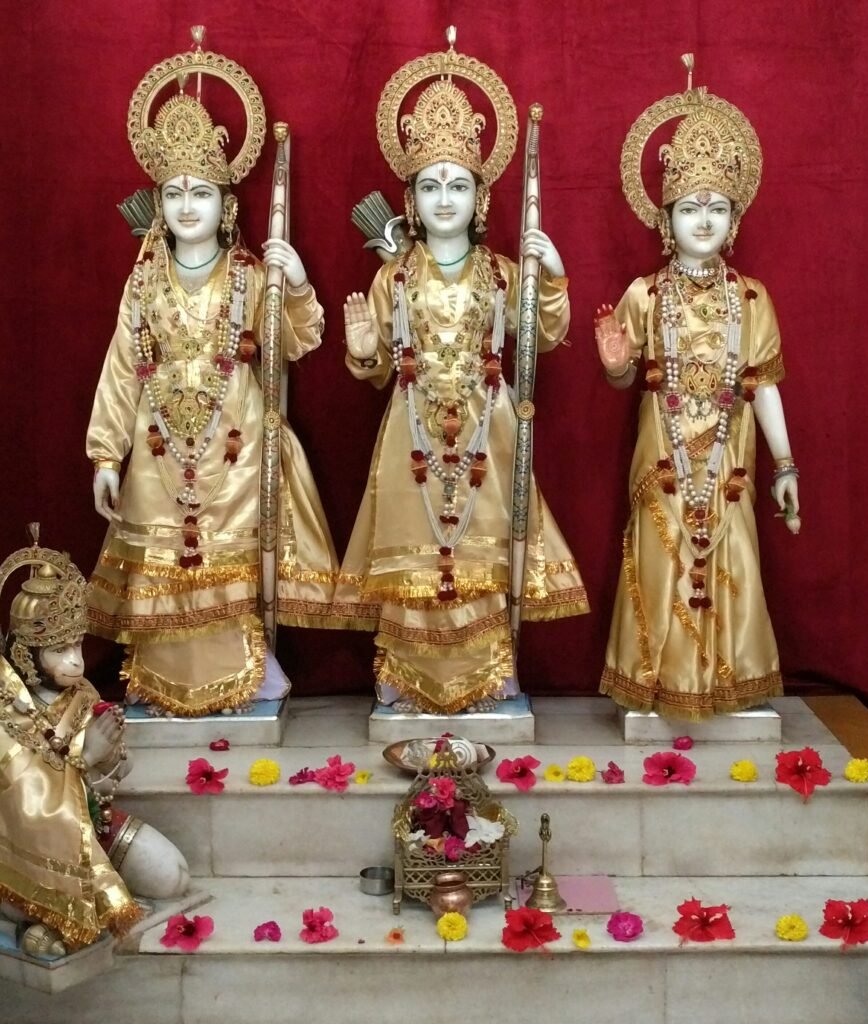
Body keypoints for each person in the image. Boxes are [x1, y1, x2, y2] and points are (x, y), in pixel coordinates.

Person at [335, 31, 587, 715]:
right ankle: (402, 677)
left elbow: (544, 336)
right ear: (410, 199)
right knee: (415, 556)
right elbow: (377, 368)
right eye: (429, 186)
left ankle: (491, 674)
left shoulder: (504, 272)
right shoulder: (394, 276)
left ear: (480, 196)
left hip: (489, 431)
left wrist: (553, 276)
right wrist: (364, 349)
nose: (444, 198)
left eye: (458, 185)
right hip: (411, 431)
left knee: (485, 553)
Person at [86, 33, 338, 716]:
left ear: (226, 202)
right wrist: (106, 454)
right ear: (159, 203)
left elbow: (295, 342)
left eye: (201, 192)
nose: (188, 206)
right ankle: (159, 681)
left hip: (236, 439)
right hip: (158, 442)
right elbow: (121, 364)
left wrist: (296, 286)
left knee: (231, 561)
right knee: (163, 560)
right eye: (174, 193)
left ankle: (249, 675)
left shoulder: (250, 274)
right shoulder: (143, 279)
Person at [595, 57, 800, 720]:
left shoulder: (752, 298)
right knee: (662, 558)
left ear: (734, 217)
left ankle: (728, 684)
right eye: (689, 208)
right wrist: (616, 365)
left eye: (716, 208)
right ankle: (656, 686)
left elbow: (763, 386)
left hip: (730, 460)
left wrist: (785, 466)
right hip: (663, 458)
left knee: (732, 558)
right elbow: (623, 376)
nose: (703, 220)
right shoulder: (645, 294)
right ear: (666, 217)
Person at [0, 531, 189, 959]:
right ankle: (55, 913)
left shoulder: (81, 693)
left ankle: (85, 904)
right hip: (35, 854)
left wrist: (113, 755)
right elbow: (27, 805)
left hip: (94, 827)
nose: (76, 660)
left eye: (78, 644)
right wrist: (85, 756)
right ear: (27, 654)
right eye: (59, 649)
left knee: (173, 877)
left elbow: (111, 777)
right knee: (26, 908)